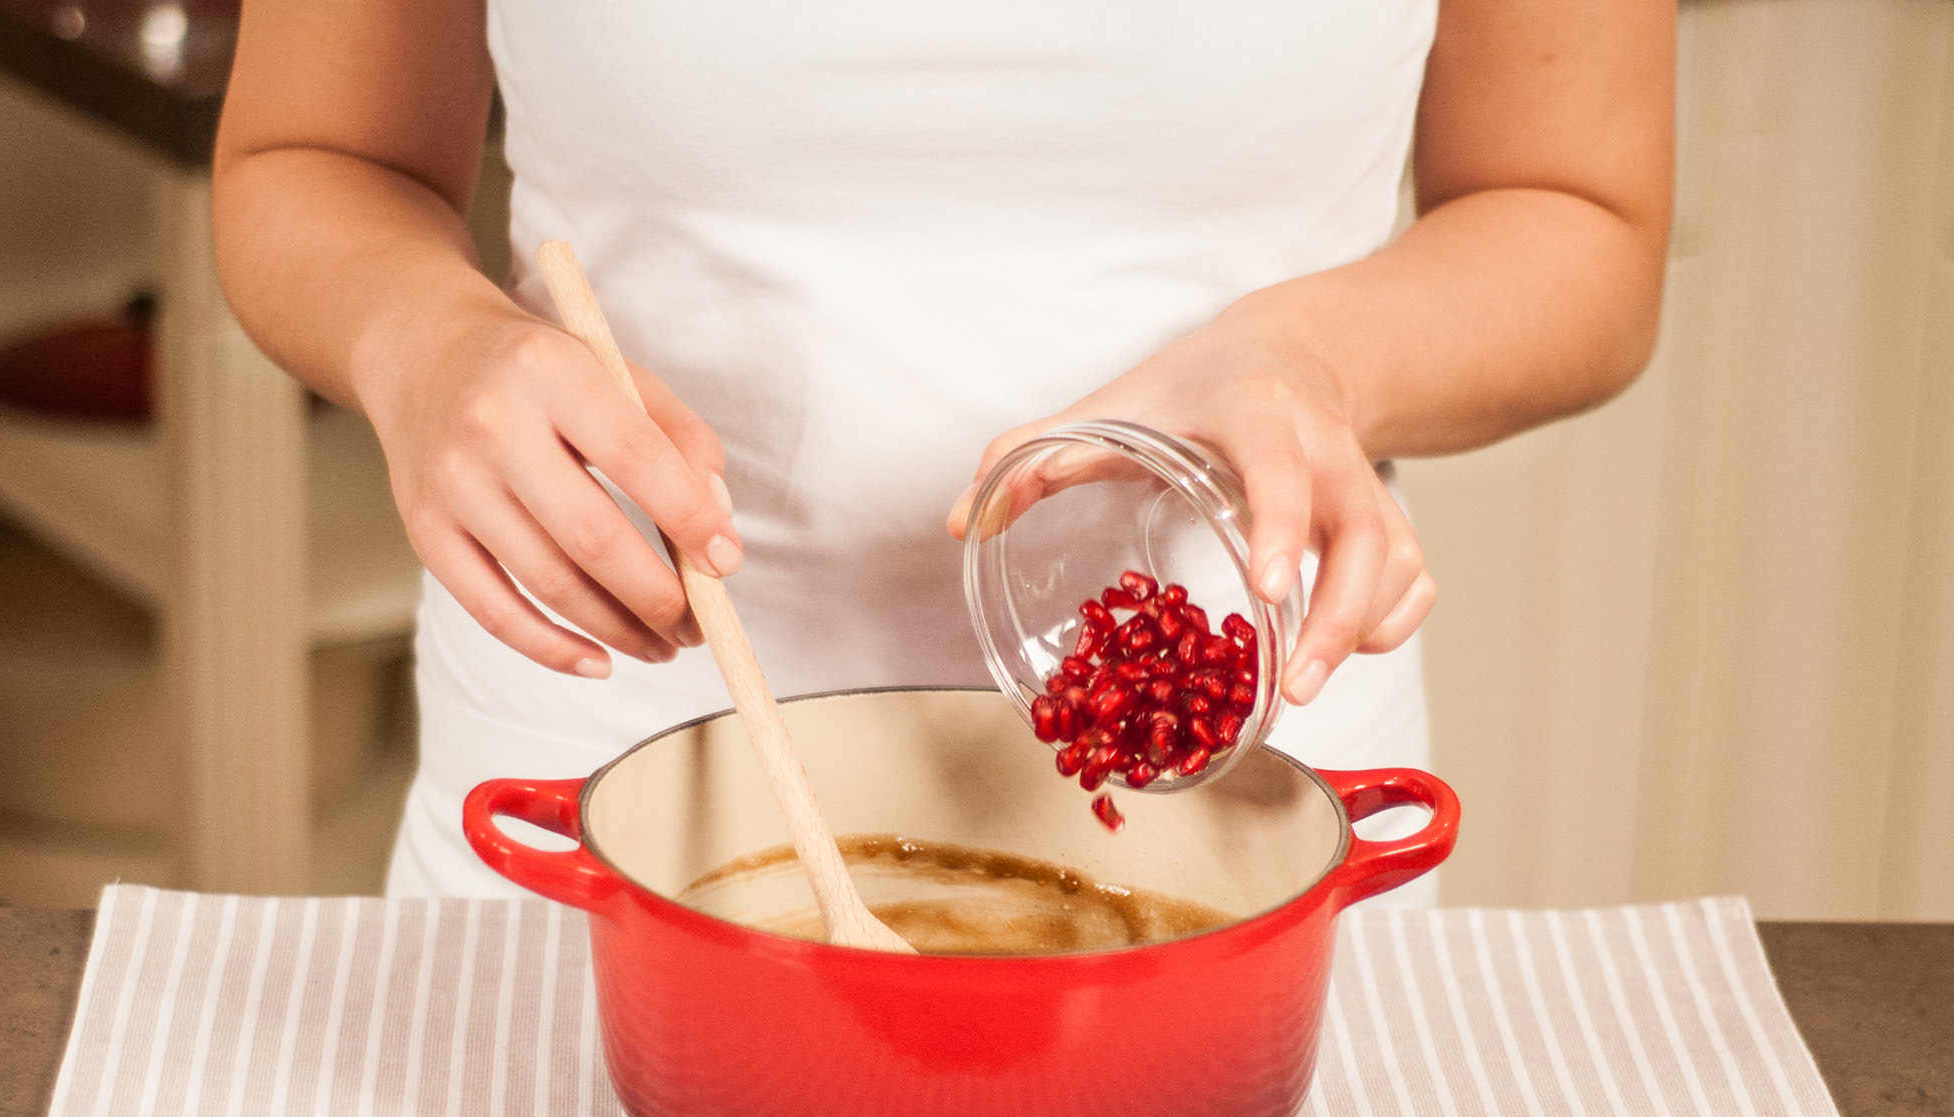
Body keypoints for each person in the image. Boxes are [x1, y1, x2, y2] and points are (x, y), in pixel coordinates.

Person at [212, 0, 1673, 900]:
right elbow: (312, 158)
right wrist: (426, 344)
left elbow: (1582, 220)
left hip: (1235, 831)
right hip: (616, 798)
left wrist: (1320, 358)